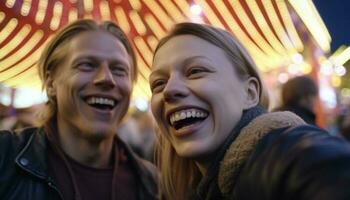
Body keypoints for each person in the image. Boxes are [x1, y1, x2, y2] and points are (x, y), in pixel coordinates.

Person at [149, 22, 350, 200]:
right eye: (158, 83)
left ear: (250, 93)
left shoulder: (289, 156)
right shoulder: (189, 188)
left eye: (195, 71)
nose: (169, 90)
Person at [0, 19, 160, 200]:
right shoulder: (5, 158)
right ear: (51, 82)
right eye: (87, 65)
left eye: (119, 70)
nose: (107, 78)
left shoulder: (153, 185)